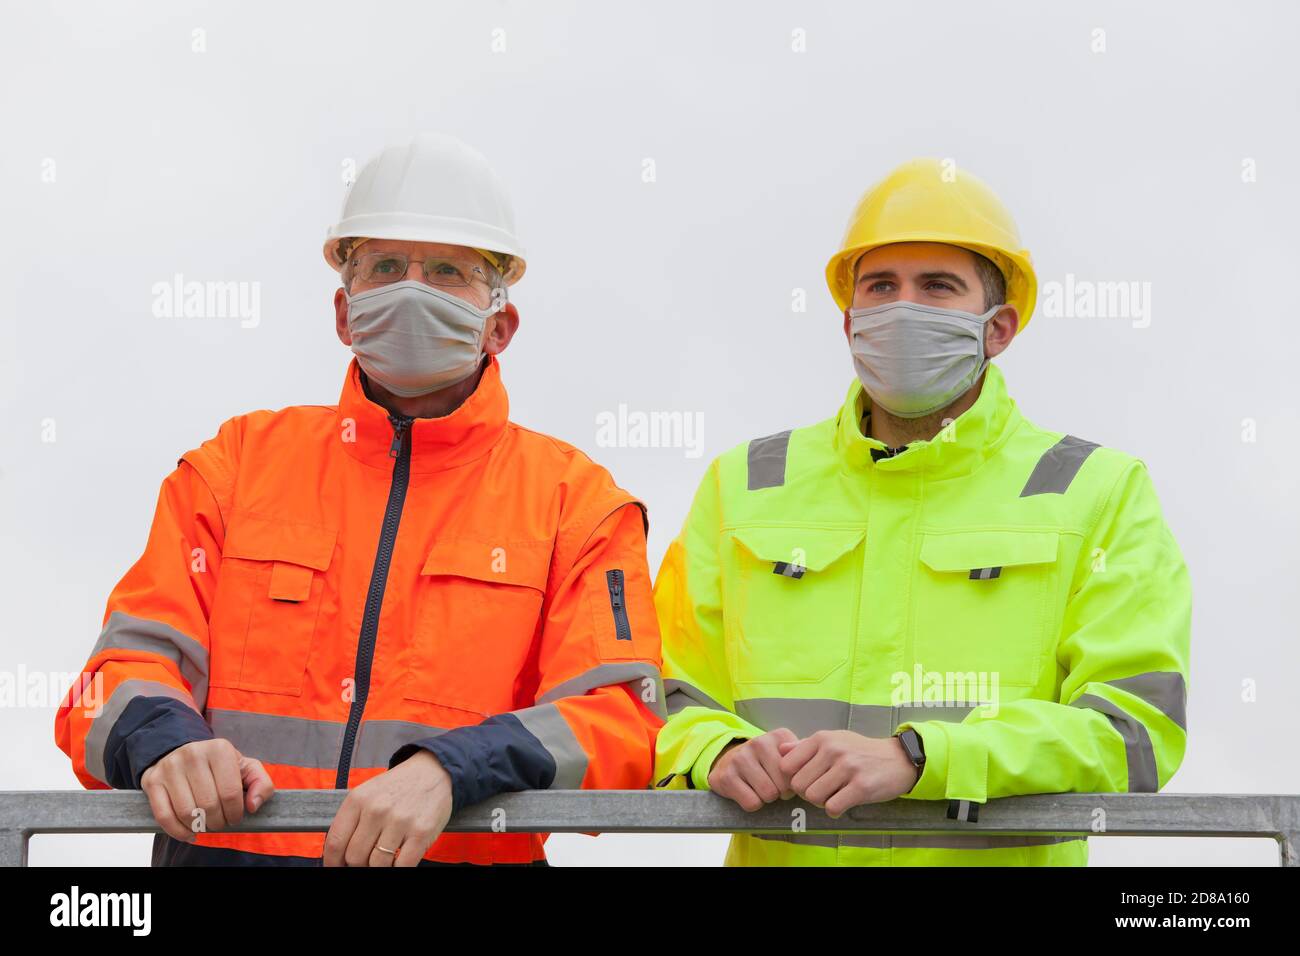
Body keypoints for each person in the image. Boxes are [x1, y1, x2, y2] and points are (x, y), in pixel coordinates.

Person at [55, 133, 664, 866]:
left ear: (500, 325)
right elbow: (111, 679)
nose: (413, 289)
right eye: (384, 267)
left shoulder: (577, 505)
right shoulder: (235, 466)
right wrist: (165, 745)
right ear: (344, 314)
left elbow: (623, 719)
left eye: (448, 271)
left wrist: (454, 769)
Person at [652, 158, 1191, 866]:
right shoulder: (744, 485)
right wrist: (713, 749)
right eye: (881, 287)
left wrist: (924, 758)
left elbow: (1135, 731)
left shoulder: (1098, 490)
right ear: (849, 322)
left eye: (938, 287)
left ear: (998, 328)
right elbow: (656, 691)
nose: (903, 308)